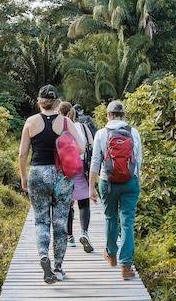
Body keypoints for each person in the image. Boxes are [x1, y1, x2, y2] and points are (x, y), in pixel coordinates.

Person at [18, 85, 85, 283]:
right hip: (61, 175)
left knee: (41, 220)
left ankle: (43, 256)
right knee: (59, 222)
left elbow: (22, 154)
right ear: (57, 102)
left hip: (38, 173)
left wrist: (23, 177)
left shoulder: (30, 122)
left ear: (39, 101)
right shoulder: (65, 122)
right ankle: (57, 268)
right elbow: (81, 148)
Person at [88, 99, 143, 280]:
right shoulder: (133, 132)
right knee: (127, 222)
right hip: (130, 182)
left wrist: (91, 188)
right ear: (124, 115)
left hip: (108, 182)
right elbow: (139, 160)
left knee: (110, 217)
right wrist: (134, 180)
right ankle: (126, 266)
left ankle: (111, 255)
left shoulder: (102, 133)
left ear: (108, 115)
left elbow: (95, 161)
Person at [58, 101, 94, 253]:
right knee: (84, 201)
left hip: (65, 167)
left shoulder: (58, 127)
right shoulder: (84, 127)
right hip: (81, 166)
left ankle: (69, 237)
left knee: (67, 201)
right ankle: (84, 233)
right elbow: (91, 145)